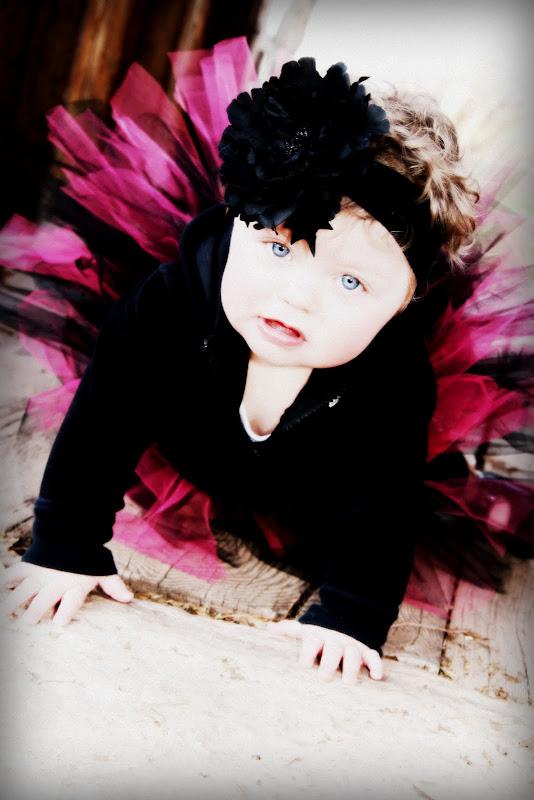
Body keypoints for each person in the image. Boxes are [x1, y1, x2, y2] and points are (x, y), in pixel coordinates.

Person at [0, 45, 529, 685]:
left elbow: (382, 503)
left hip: (314, 487)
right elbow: (103, 422)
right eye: (279, 248)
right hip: (194, 440)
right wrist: (65, 543)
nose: (296, 297)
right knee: (117, 396)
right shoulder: (170, 304)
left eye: (352, 282)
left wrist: (352, 614)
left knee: (393, 486)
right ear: (237, 223)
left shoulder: (393, 377)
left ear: (402, 303)